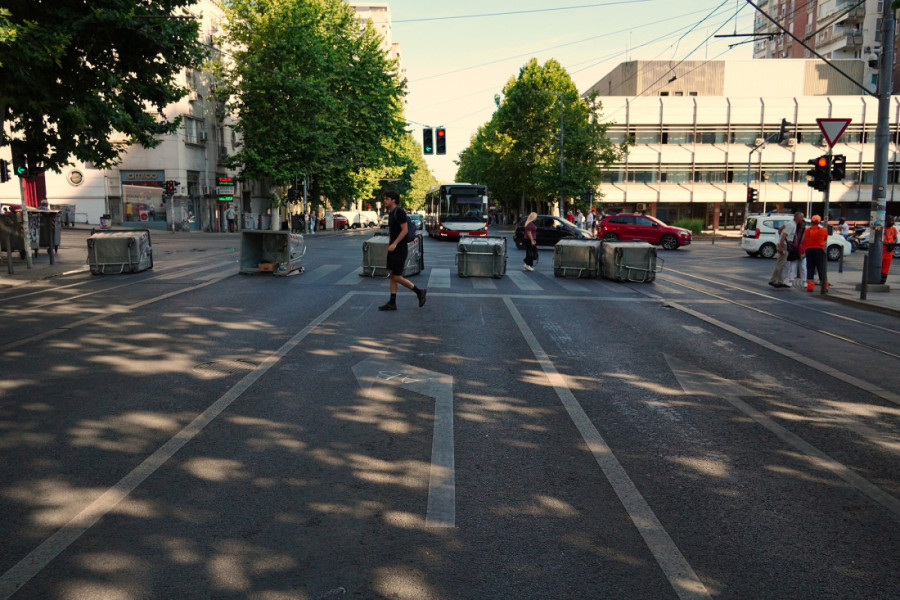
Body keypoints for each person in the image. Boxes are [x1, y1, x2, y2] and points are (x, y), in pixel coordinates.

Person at [379, 191, 426, 311]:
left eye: (387, 199)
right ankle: (392, 302)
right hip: (393, 248)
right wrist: (389, 245)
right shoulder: (391, 213)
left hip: (400, 248)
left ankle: (419, 292)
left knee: (397, 276)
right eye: (384, 199)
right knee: (392, 275)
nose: (385, 201)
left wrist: (394, 244)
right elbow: (392, 231)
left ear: (393, 200)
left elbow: (404, 230)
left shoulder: (399, 212)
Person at [769, 211, 802, 288]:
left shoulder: (790, 223)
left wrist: (780, 234)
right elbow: (784, 235)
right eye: (801, 217)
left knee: (781, 264)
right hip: (784, 245)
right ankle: (775, 281)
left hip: (784, 244)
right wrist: (781, 246)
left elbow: (780, 228)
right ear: (796, 217)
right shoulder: (792, 225)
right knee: (781, 264)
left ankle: (777, 280)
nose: (802, 219)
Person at [804, 215, 828, 292]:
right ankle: (824, 286)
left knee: (810, 268)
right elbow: (825, 238)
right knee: (821, 268)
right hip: (819, 250)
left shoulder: (807, 230)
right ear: (819, 222)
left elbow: (805, 239)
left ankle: (810, 287)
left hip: (809, 250)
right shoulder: (824, 230)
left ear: (811, 222)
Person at [786, 218, 806, 288]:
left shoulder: (805, 232)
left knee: (803, 267)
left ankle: (804, 281)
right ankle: (791, 280)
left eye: (803, 225)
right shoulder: (795, 231)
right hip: (795, 250)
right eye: (801, 225)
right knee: (793, 266)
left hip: (802, 251)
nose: (802, 226)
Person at [881, 215, 897, 284]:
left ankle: (883, 281)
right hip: (882, 250)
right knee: (879, 266)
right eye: (891, 220)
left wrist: (893, 243)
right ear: (886, 221)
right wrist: (886, 243)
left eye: (893, 220)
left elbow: (895, 238)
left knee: (886, 268)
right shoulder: (882, 229)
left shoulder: (893, 229)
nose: (892, 222)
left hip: (889, 251)